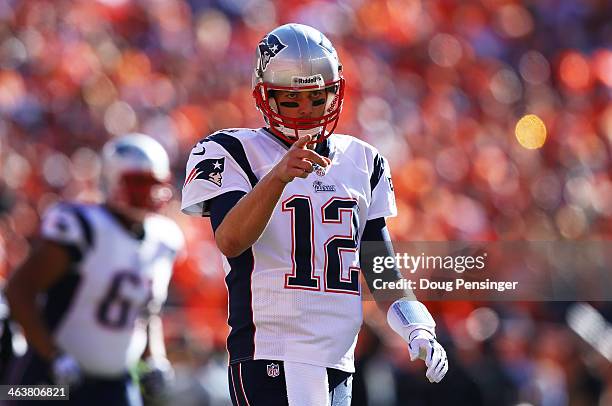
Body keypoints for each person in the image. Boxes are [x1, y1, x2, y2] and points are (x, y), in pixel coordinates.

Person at [181, 23, 448, 405]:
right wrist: (278, 177)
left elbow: (382, 272)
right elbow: (231, 239)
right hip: (272, 351)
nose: (306, 109)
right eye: (291, 99)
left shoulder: (363, 161)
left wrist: (417, 327)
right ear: (266, 97)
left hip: (339, 360)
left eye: (317, 97)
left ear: (336, 92)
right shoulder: (232, 151)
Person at [5, 133, 184, 405]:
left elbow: (147, 313)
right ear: (112, 181)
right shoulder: (82, 226)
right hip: (50, 379)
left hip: (114, 384)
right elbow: (19, 290)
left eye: (154, 184)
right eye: (139, 183)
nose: (148, 192)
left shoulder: (165, 239)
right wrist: (53, 355)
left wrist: (154, 358)